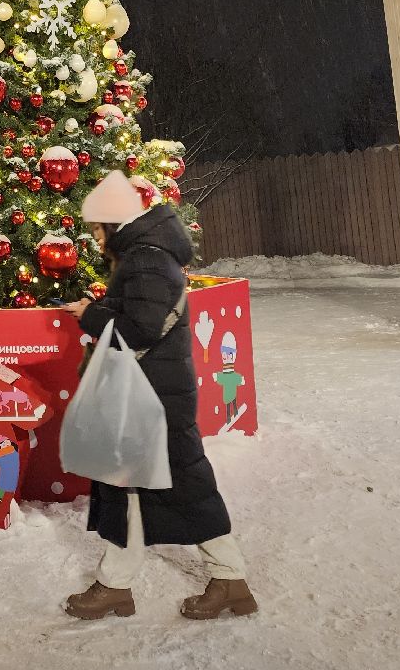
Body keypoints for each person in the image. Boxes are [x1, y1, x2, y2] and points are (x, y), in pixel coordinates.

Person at [61, 170, 257, 622]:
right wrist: (98, 310)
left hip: (155, 396)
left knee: (185, 487)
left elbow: (141, 330)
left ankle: (229, 578)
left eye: (95, 228)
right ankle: (116, 584)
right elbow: (138, 314)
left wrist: (92, 316)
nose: (93, 238)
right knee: (125, 485)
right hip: (149, 391)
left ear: (113, 224)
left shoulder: (146, 260)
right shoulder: (148, 255)